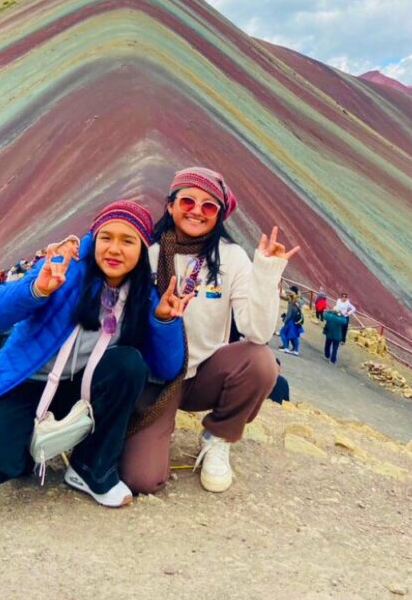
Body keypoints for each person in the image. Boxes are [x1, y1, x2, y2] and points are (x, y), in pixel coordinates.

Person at [0, 200, 187, 508]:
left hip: (83, 389)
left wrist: (164, 321)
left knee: (129, 364)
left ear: (142, 248)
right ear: (93, 239)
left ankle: (91, 469)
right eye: (106, 238)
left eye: (128, 241)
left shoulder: (143, 297)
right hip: (29, 384)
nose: (114, 249)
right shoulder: (63, 270)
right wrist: (36, 289)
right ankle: (24, 448)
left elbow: (167, 368)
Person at [120, 166, 299, 495]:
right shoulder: (149, 253)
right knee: (141, 480)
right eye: (188, 201)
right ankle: (157, 427)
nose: (197, 212)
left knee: (260, 362)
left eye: (208, 206)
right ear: (171, 205)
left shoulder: (231, 258)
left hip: (204, 375)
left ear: (219, 214)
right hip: (155, 377)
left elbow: (257, 333)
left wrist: (266, 272)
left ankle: (219, 437)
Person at [279, 290, 304, 355]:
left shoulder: (291, 302)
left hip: (290, 321)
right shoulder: (299, 303)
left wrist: (285, 320)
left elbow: (289, 314)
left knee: (283, 332)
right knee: (294, 336)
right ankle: (296, 350)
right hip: (296, 321)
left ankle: (286, 348)